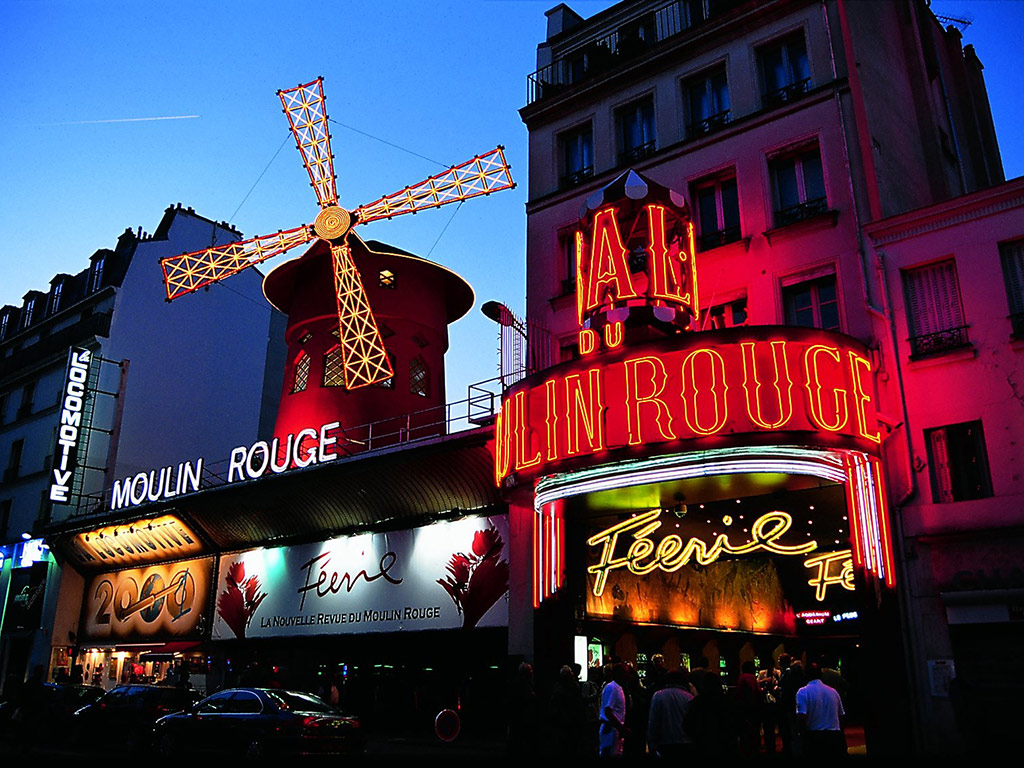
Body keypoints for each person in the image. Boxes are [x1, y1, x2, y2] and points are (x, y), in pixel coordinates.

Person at [796, 663, 846, 757]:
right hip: (834, 735)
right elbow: (841, 715)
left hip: (814, 736)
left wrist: (802, 736)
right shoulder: (833, 691)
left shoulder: (803, 692)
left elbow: (801, 717)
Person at [647, 669, 694, 759]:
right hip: (685, 742)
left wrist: (651, 743)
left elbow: (653, 721)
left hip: (665, 743)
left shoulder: (658, 696)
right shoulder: (689, 697)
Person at [599, 663, 628, 756]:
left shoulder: (618, 688)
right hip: (610, 729)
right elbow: (608, 711)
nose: (627, 675)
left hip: (615, 729)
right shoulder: (612, 688)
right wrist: (620, 728)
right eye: (624, 672)